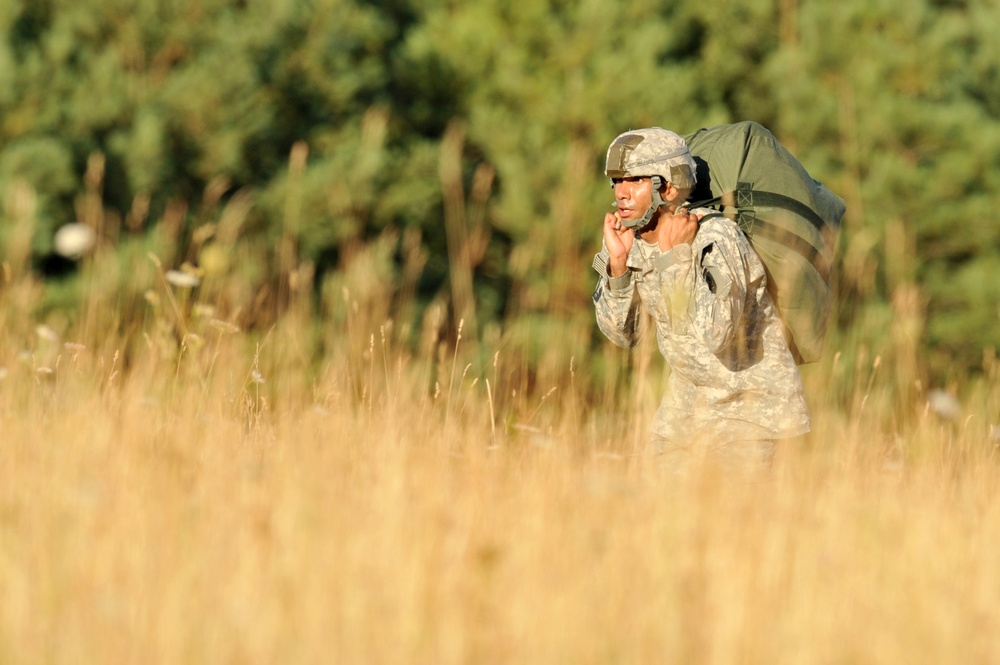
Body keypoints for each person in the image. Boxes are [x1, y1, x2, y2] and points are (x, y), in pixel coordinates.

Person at [592, 127, 810, 472]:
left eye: (635, 180)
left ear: (669, 186)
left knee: (733, 522)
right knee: (649, 511)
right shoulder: (630, 241)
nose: (621, 192)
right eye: (617, 181)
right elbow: (625, 336)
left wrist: (676, 257)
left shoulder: (715, 237)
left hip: (752, 410)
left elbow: (717, 334)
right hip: (686, 411)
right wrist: (617, 268)